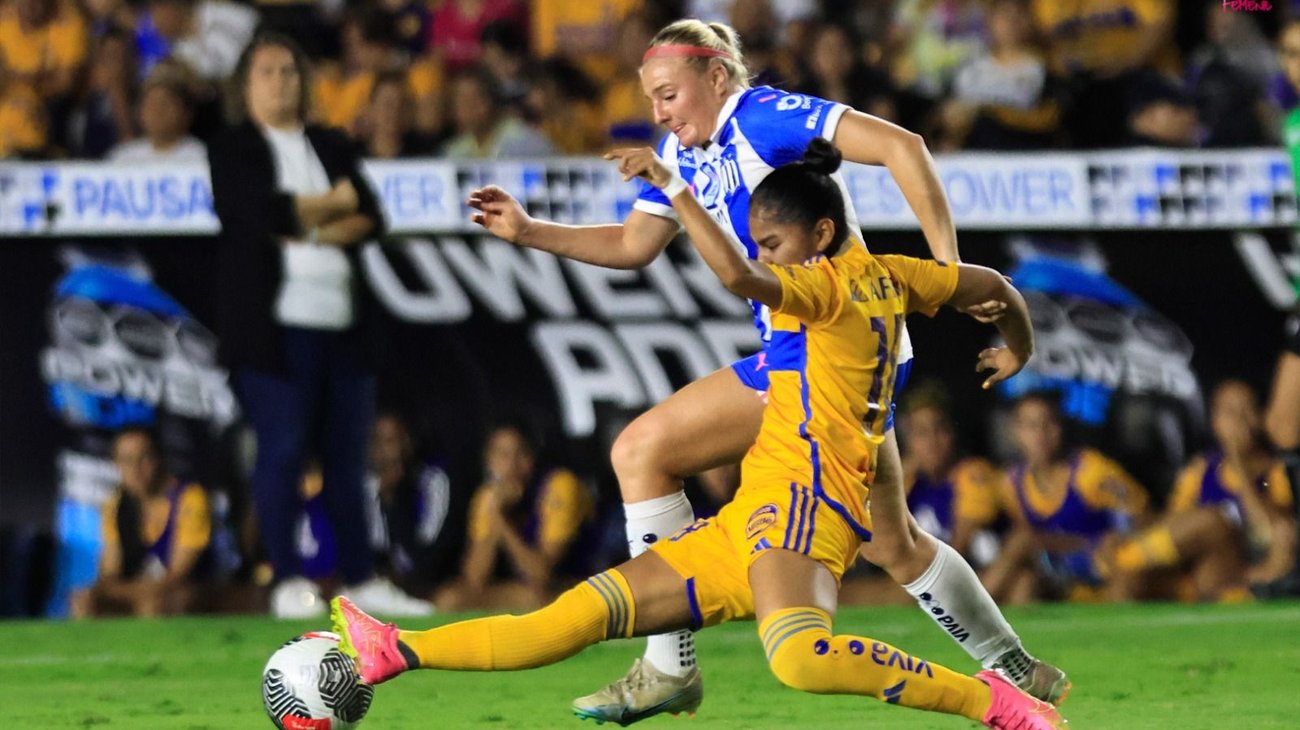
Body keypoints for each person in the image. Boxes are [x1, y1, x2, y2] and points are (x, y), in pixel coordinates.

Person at [331, 140, 1066, 730]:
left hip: (805, 508)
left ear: (822, 234)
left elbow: (740, 279)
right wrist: (1017, 347)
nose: (767, 255)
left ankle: (997, 704)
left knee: (801, 660)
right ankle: (395, 649)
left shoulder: (824, 287)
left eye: (774, 242)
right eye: (760, 242)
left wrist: (674, 184)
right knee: (571, 617)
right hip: (749, 515)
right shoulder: (897, 276)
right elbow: (993, 286)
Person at [465, 18, 1067, 722]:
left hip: (823, 354)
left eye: (667, 94)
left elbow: (904, 147)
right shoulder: (683, 151)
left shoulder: (762, 116)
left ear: (716, 76)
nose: (658, 113)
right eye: (651, 99)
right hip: (832, 355)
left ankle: (667, 667)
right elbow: (634, 244)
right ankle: (1018, 669)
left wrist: (944, 267)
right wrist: (531, 231)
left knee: (642, 448)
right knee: (893, 542)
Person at [207, 33, 431, 619]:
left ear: (304, 82)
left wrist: (305, 220)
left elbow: (370, 212)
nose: (281, 82)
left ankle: (360, 578)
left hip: (346, 325)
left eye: (289, 71)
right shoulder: (232, 149)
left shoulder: (331, 143)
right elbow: (257, 215)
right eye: (267, 72)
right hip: (273, 332)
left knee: (347, 456)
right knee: (281, 451)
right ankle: (286, 579)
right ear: (246, 85)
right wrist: (330, 206)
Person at [1110, 381, 1296, 601]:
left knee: (1217, 520)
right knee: (1202, 524)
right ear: (1215, 421)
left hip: (1245, 566)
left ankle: (1125, 558)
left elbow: (1270, 531)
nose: (1239, 421)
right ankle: (1123, 563)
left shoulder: (1274, 472)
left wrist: (1238, 466)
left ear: (1259, 418)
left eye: (1246, 411)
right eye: (1230, 412)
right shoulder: (1201, 470)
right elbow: (1173, 524)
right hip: (1202, 568)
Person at [983, 392, 1150, 604]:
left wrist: (1121, 536)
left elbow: (1144, 517)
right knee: (1023, 582)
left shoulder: (1090, 471)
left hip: (1101, 563)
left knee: (1023, 541)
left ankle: (966, 612)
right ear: (1016, 432)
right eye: (1031, 426)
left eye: (1049, 424)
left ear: (1061, 427)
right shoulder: (1010, 484)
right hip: (1058, 573)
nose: (1041, 434)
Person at [435, 423, 595, 611]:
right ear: (489, 461)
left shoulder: (559, 486)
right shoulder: (489, 496)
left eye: (521, 454)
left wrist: (501, 521)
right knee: (450, 599)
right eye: (502, 455)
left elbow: (541, 575)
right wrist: (494, 513)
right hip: (523, 590)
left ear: (533, 456)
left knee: (536, 598)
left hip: (576, 586)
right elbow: (474, 578)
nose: (512, 465)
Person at [70, 427, 211, 618]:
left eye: (143, 458)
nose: (135, 469)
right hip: (135, 589)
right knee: (84, 599)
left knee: (157, 604)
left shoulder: (190, 498)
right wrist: (105, 591)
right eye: (126, 461)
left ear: (159, 458)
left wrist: (130, 592)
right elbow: (110, 570)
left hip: (181, 593)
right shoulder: (115, 504)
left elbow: (179, 575)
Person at [107, 66, 206, 163]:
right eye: (151, 104)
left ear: (186, 113)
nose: (157, 111)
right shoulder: (123, 157)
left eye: (165, 104)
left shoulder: (199, 155)